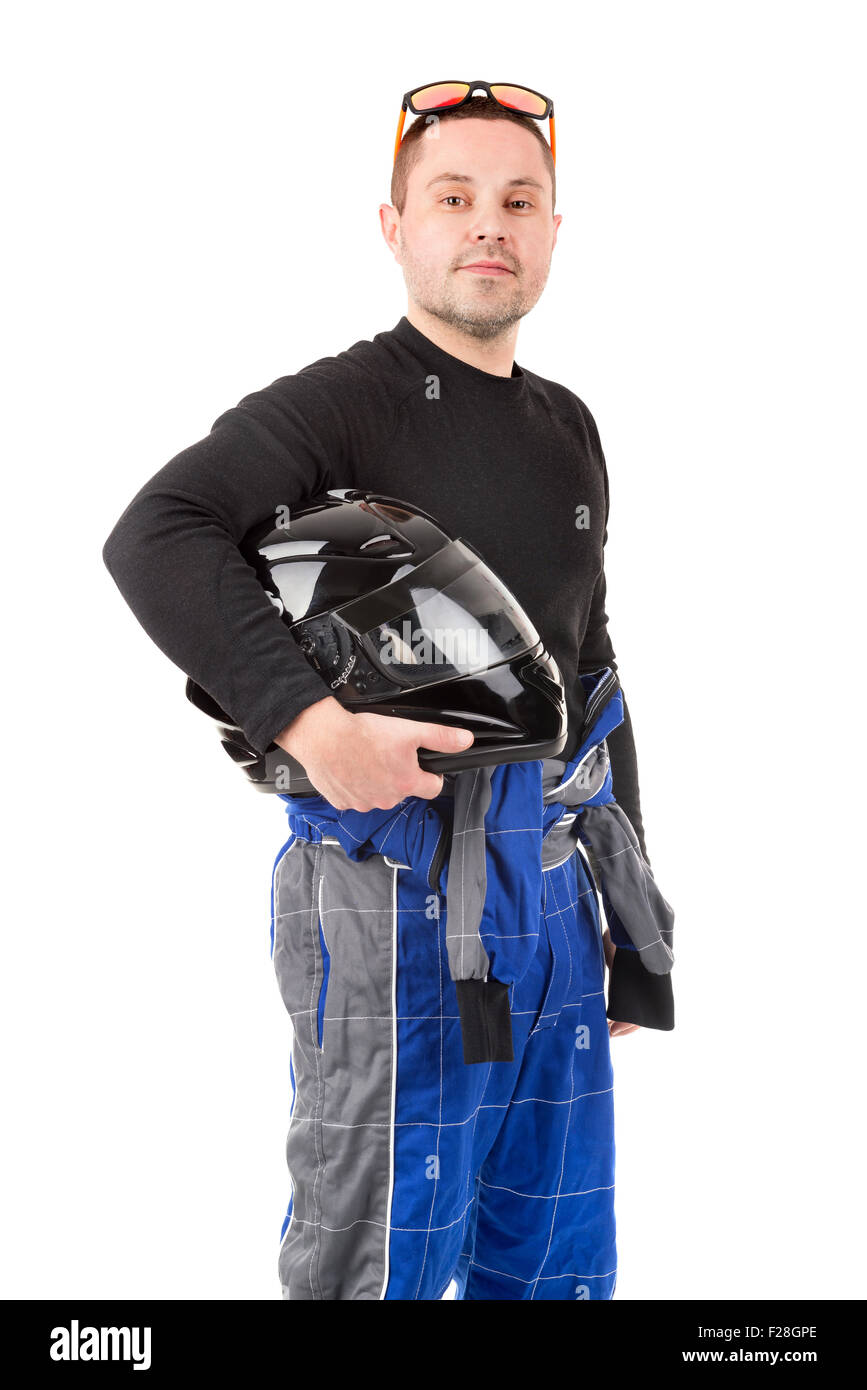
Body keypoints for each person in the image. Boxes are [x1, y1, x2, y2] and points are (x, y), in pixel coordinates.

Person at [102, 81, 674, 1300]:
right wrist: (308, 722)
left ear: (555, 231)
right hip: (390, 884)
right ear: (394, 225)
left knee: (557, 1263)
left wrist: (634, 928)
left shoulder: (568, 425)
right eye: (453, 197)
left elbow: (594, 666)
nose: (489, 224)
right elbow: (157, 533)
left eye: (519, 201)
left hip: (558, 890)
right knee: (380, 1263)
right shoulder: (347, 402)